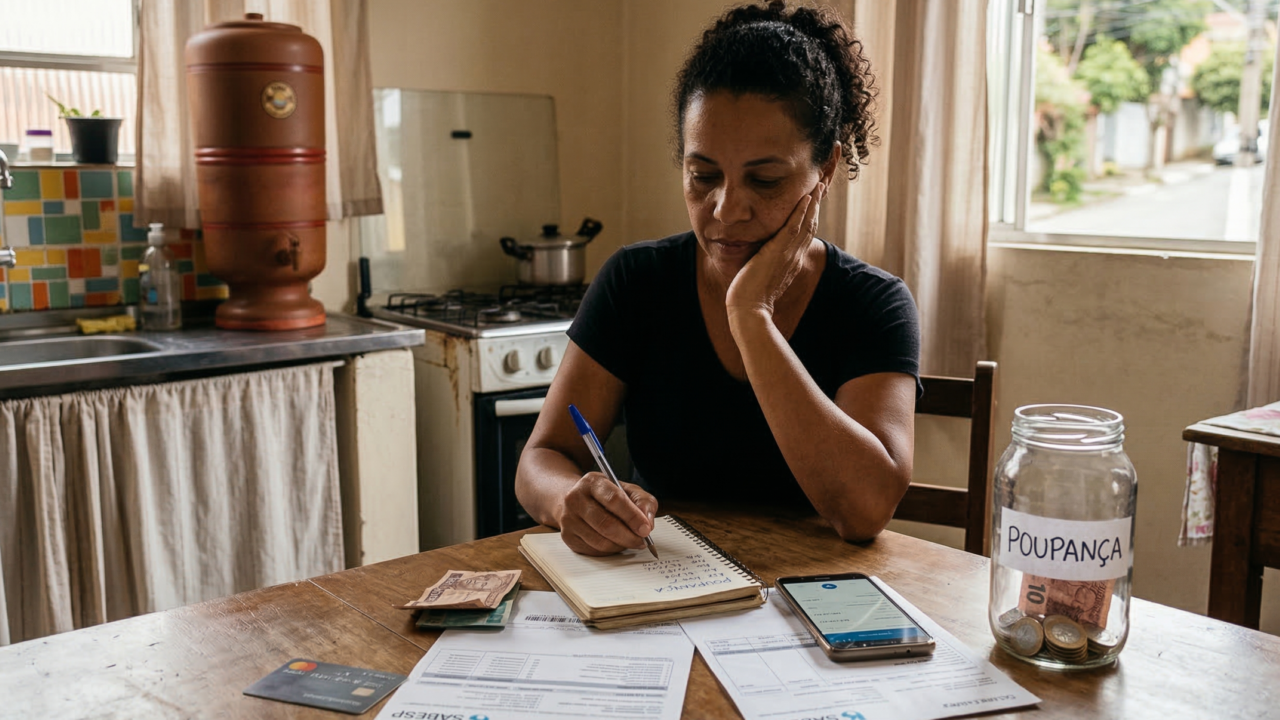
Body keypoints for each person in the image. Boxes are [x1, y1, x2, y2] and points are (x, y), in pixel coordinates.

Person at [514, 0, 920, 556]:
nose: (727, 210)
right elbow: (542, 459)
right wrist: (569, 499)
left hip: (811, 602)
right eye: (703, 175)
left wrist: (751, 316)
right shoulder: (637, 281)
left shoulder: (873, 303)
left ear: (825, 169)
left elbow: (865, 510)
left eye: (766, 180)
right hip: (666, 588)